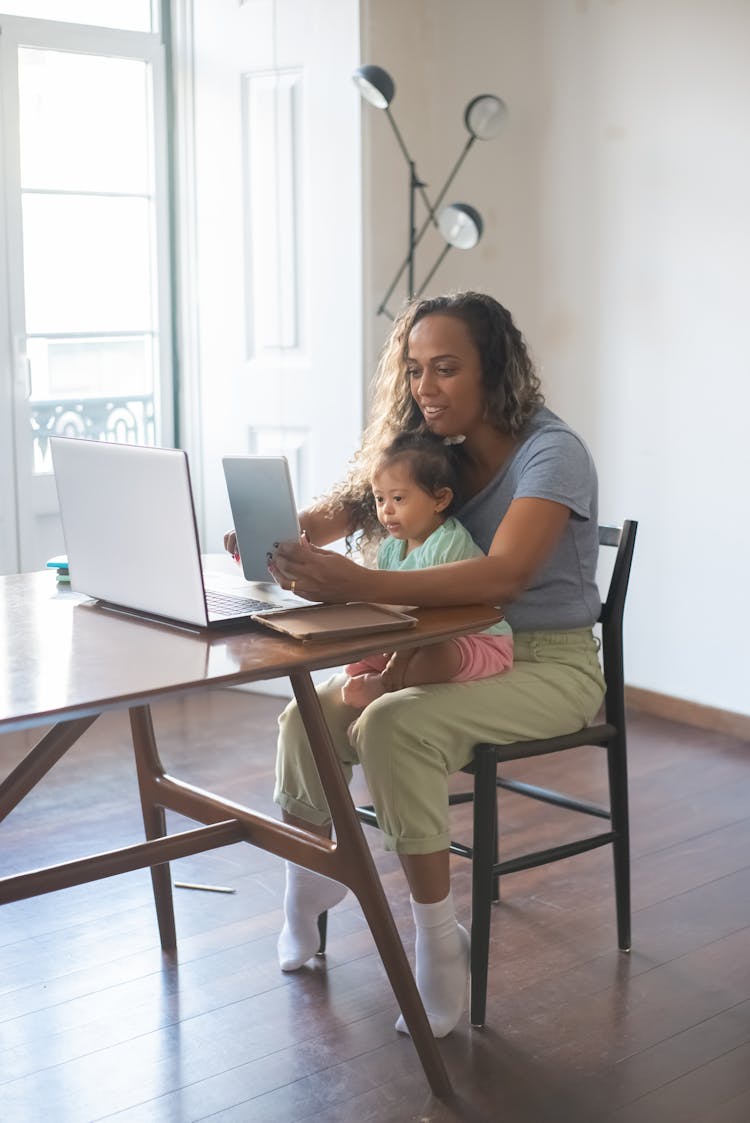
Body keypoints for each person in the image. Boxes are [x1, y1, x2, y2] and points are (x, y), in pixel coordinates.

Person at [227, 291, 606, 1038]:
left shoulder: (550, 452)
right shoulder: (438, 452)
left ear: (493, 370)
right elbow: (345, 512)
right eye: (415, 369)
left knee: (395, 724)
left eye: (446, 368)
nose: (425, 387)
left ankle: (437, 940)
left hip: (545, 662)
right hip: (439, 654)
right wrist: (283, 536)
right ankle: (307, 890)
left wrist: (364, 583)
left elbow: (504, 578)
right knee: (305, 716)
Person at [340, 429, 514, 709]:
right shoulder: (390, 549)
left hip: (473, 639)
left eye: (398, 499)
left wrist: (401, 659)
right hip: (416, 637)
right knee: (359, 649)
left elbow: (434, 618)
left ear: (440, 499)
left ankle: (385, 686)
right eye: (380, 499)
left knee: (439, 655)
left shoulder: (448, 544)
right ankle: (382, 678)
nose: (386, 511)